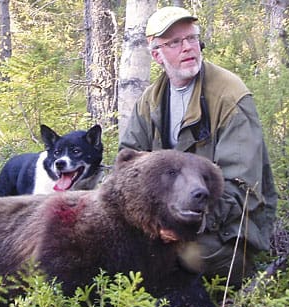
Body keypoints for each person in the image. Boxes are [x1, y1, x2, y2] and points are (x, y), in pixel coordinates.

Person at [119, 6, 278, 287]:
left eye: (192, 38)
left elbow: (240, 189)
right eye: (175, 42)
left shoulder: (230, 97)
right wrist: (150, 222)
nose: (188, 47)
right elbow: (127, 167)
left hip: (224, 225)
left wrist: (180, 226)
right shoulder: (150, 102)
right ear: (157, 54)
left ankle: (239, 279)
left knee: (185, 258)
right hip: (166, 217)